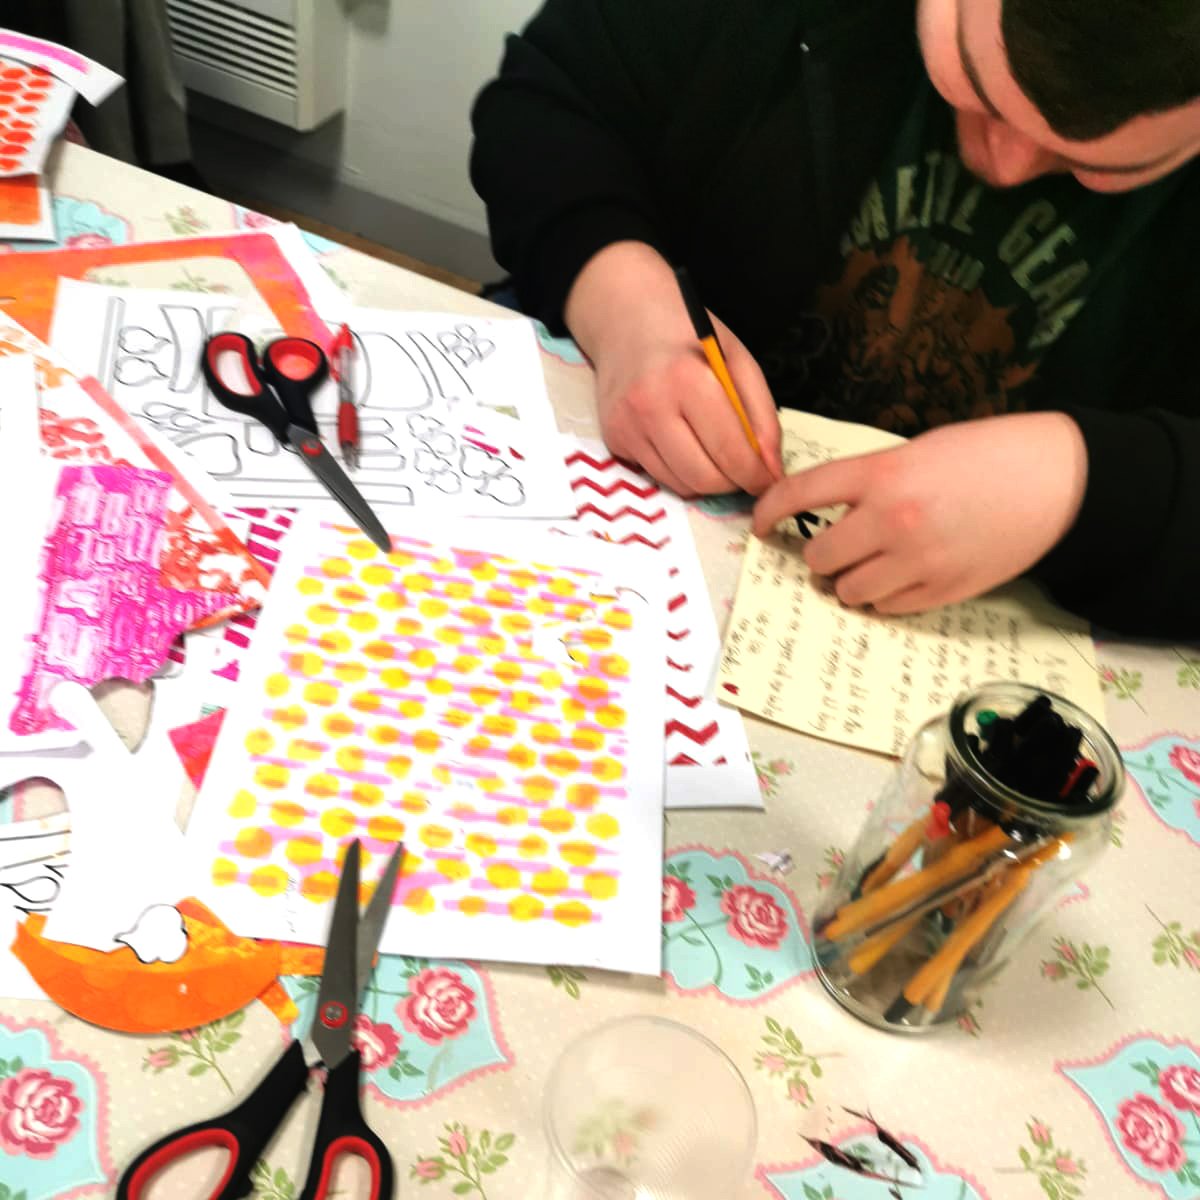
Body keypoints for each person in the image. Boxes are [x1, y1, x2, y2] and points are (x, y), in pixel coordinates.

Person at [469, 0, 1200, 638]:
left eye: (1103, 167)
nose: (1005, 161)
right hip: (618, 525)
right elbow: (547, 104)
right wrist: (626, 307)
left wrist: (1085, 485)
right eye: (974, 83)